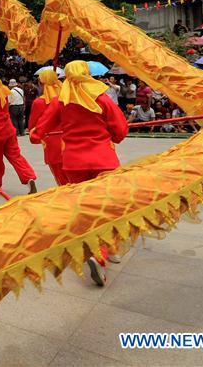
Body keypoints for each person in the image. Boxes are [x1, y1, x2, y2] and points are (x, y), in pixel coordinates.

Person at [31, 60, 128, 286]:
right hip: (104, 160)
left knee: (84, 209)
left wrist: (38, 133)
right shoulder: (102, 99)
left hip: (73, 163)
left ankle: (91, 248)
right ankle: (105, 252)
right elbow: (120, 132)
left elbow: (38, 133)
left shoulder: (59, 102)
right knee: (106, 208)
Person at [28, 68, 66, 185]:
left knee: (61, 180)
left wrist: (35, 137)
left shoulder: (39, 102)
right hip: (71, 141)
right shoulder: (67, 97)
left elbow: (33, 127)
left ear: (41, 83)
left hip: (52, 144)